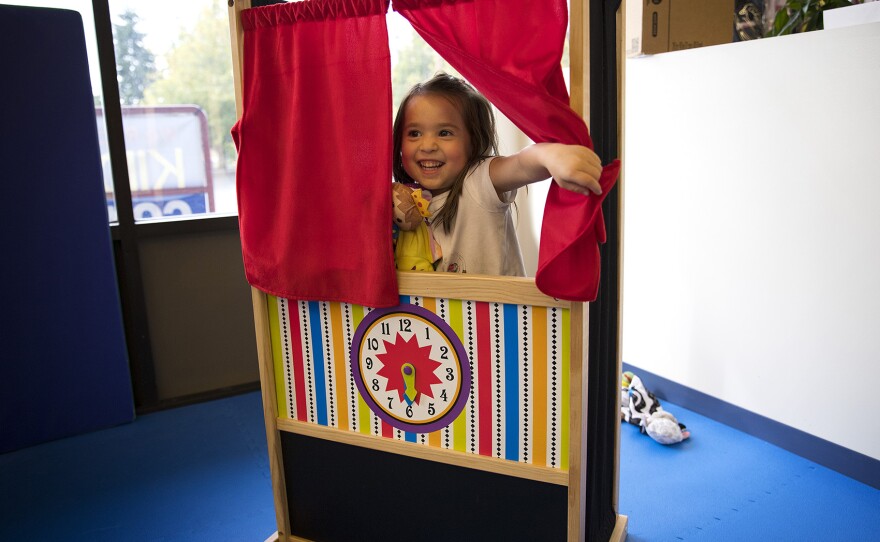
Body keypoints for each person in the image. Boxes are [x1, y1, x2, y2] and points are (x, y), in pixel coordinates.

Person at [392, 72, 603, 276]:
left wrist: (552, 156)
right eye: (414, 133)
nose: (427, 145)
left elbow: (521, 164)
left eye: (445, 133)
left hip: (500, 311)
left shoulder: (477, 181)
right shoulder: (401, 203)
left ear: (474, 142)